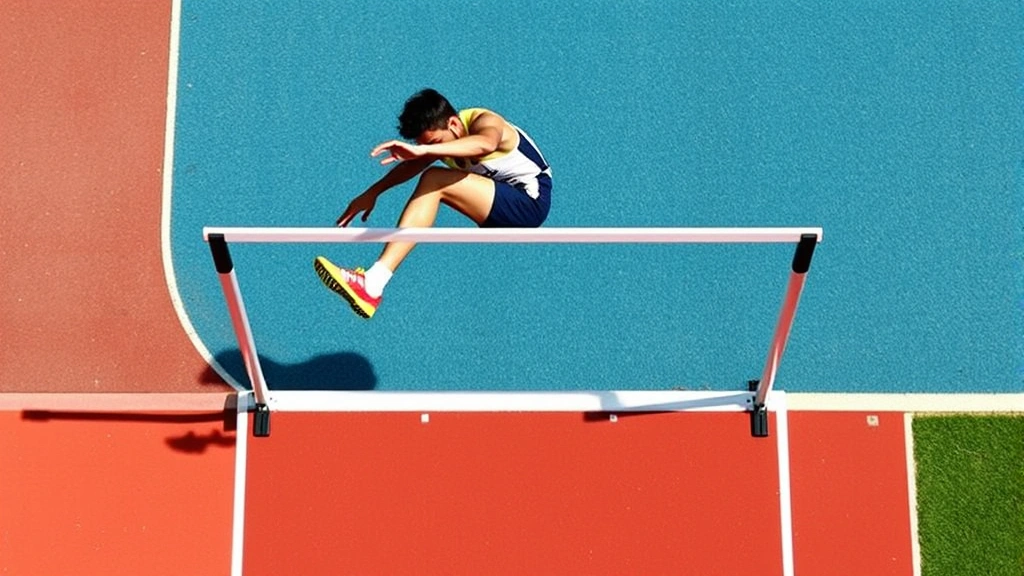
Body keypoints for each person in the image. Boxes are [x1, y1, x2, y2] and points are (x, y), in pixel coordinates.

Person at [314, 88, 552, 318]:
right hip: (500, 208)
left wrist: (425, 151)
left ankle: (373, 283)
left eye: (435, 143)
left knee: (434, 178)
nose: (432, 150)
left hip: (530, 203)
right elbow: (412, 166)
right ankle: (373, 283)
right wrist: (373, 192)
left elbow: (486, 143)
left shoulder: (485, 121)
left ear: (453, 124)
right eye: (426, 146)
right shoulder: (443, 141)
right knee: (431, 178)